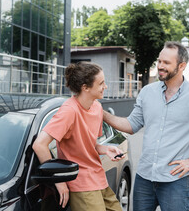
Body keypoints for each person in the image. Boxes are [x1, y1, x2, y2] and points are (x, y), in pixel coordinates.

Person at [103, 41, 189, 211]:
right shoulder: (147, 92)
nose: (160, 66)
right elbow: (131, 124)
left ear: (182, 66)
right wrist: (103, 114)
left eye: (166, 63)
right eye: (159, 61)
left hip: (176, 182)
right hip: (145, 179)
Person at [33, 61, 124, 211]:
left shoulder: (97, 107)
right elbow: (39, 144)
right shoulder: (69, 111)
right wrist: (59, 181)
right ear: (85, 88)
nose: (105, 87)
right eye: (101, 83)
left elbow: (88, 143)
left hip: (99, 178)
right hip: (81, 184)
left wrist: (105, 149)